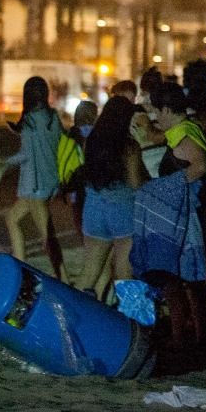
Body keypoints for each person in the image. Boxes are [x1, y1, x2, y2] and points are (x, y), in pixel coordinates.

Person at [149, 81, 206, 306]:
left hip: (196, 214)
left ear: (166, 109)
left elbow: (201, 165)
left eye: (156, 111)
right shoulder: (186, 127)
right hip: (198, 210)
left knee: (193, 275)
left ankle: (200, 331)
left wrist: (165, 187)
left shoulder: (183, 135)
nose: (155, 117)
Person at [0, 77, 64, 276]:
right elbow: (55, 143)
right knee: (12, 218)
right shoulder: (53, 116)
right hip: (51, 179)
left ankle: (62, 277)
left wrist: (4, 161)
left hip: (35, 185)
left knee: (47, 237)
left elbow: (26, 154)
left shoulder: (30, 120)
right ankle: (21, 267)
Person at [75, 97, 146, 298]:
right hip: (123, 213)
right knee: (125, 277)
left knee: (89, 273)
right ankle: (129, 324)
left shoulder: (91, 141)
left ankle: (73, 316)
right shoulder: (129, 147)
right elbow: (135, 183)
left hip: (94, 211)